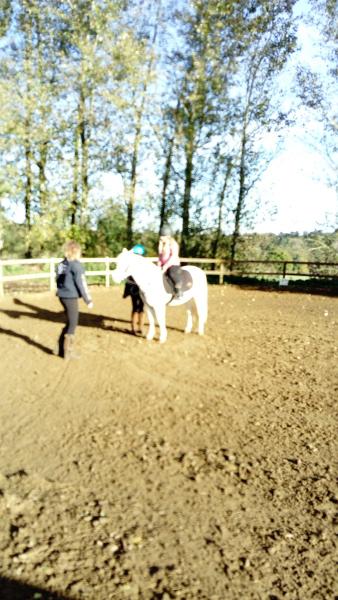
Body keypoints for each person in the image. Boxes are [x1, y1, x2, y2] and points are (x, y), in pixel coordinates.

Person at [55, 240, 93, 360]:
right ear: (76, 251)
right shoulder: (77, 265)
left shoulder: (62, 264)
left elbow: (58, 280)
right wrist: (88, 300)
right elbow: (81, 283)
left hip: (62, 296)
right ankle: (67, 352)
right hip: (70, 297)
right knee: (73, 323)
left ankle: (60, 348)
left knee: (70, 321)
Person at [123, 244, 145, 335]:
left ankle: (138, 327)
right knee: (137, 308)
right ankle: (135, 328)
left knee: (140, 308)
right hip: (135, 288)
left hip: (140, 288)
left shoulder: (141, 263)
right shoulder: (132, 264)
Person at [157, 225, 182, 298]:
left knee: (172, 274)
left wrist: (165, 266)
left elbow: (173, 257)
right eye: (161, 236)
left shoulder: (173, 244)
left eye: (162, 236)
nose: (161, 238)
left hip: (172, 264)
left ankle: (178, 290)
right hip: (163, 265)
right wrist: (159, 265)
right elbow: (160, 256)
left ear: (168, 236)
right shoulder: (162, 244)